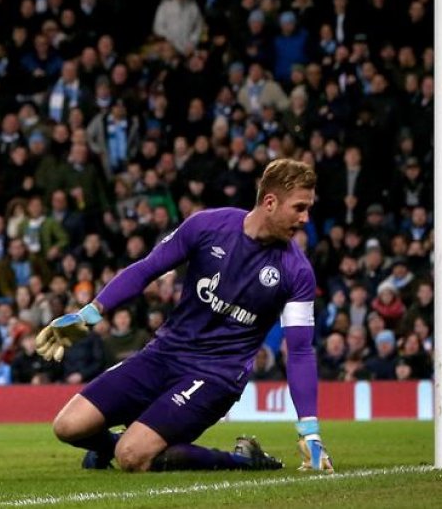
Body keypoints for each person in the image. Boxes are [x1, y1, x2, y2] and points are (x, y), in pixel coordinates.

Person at [37, 159, 333, 474]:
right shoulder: (208, 226)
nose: (305, 218)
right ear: (270, 202)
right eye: (300, 208)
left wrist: (309, 430)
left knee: (131, 456)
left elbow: (300, 350)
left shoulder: (297, 272)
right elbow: (147, 268)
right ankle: (121, 446)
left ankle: (244, 461)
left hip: (216, 375)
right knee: (68, 426)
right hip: (163, 354)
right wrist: (89, 314)